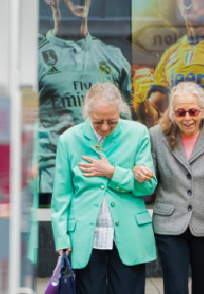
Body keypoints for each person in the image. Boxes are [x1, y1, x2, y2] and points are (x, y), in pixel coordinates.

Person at [139, 82, 204, 294]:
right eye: (180, 112)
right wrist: (139, 172)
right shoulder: (155, 136)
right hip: (169, 224)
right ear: (171, 113)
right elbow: (149, 181)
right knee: (176, 289)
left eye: (193, 111)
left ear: (203, 111)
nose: (187, 117)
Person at [50, 83, 156, 294]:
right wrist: (61, 238)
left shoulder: (138, 133)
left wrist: (111, 172)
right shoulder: (69, 139)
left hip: (128, 232)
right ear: (87, 113)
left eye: (112, 121)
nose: (105, 127)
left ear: (120, 111)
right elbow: (62, 195)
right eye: (98, 122)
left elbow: (147, 187)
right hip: (85, 234)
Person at [38, 0, 132, 195]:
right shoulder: (36, 56)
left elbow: (130, 124)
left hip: (104, 177)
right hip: (53, 178)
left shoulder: (113, 57)